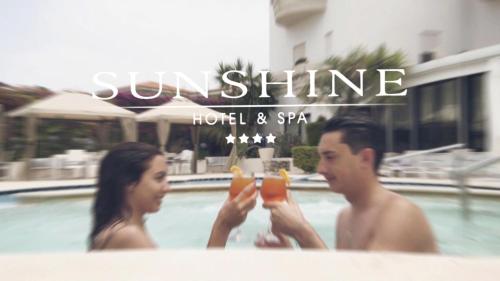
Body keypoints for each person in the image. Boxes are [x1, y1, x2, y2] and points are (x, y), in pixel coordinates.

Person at [257, 114, 438, 253]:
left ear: (365, 159)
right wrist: (291, 253)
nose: (320, 169)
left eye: (330, 157)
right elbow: (340, 271)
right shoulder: (345, 217)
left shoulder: (399, 216)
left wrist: (302, 231)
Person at [89, 142, 256, 250]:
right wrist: (223, 224)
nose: (167, 188)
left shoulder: (120, 227)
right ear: (129, 183)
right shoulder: (127, 236)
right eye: (159, 178)